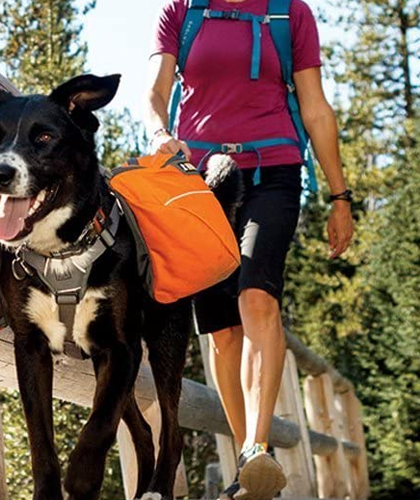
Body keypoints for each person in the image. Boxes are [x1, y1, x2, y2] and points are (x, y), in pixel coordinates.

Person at [143, 0, 355, 498]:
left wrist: (340, 196)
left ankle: (257, 448)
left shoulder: (289, 13)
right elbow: (154, 90)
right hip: (201, 180)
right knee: (221, 332)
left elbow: (316, 107)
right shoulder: (182, 10)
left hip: (274, 171)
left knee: (256, 296)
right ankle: (249, 471)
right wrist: (159, 132)